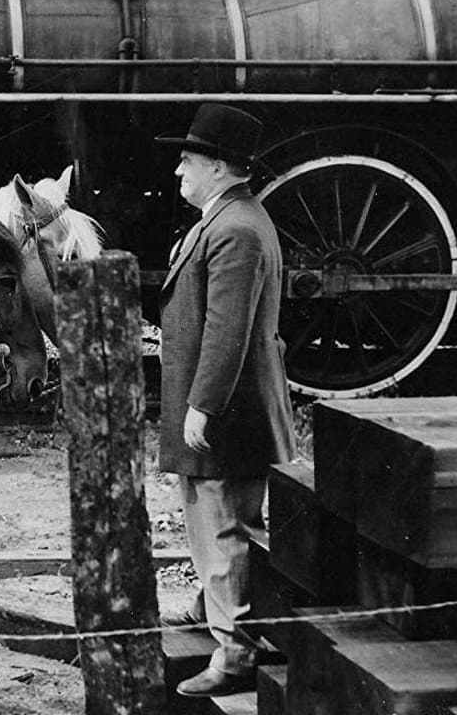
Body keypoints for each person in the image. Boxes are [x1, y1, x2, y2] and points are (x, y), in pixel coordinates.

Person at [154, 104, 295, 697]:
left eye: (188, 160)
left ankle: (235, 652)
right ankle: (210, 605)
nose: (179, 171)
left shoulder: (234, 228)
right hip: (229, 406)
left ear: (219, 166)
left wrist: (202, 404)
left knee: (224, 523)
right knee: (213, 516)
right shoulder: (229, 218)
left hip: (227, 410)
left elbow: (227, 329)